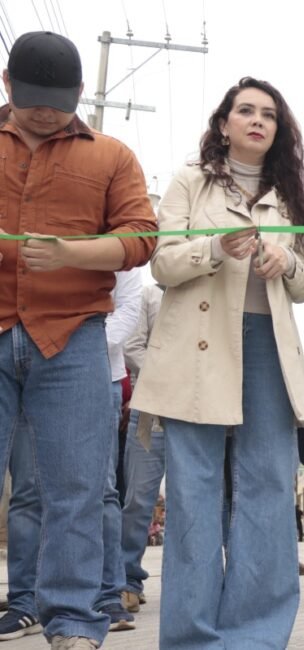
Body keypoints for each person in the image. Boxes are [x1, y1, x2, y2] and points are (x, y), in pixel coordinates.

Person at [131, 77, 304, 648]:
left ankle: (257, 635)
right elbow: (161, 265)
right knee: (194, 491)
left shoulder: (290, 195)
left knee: (267, 488)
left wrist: (285, 261)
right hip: (196, 349)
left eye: (268, 114)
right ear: (224, 123)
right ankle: (191, 637)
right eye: (245, 111)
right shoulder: (190, 180)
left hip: (269, 346)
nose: (257, 121)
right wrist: (215, 248)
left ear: (278, 130)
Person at [0, 31, 157, 649]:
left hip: (73, 336)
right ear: (8, 85)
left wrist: (75, 252)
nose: (46, 112)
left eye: (59, 101)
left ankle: (70, 620)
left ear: (80, 94)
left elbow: (143, 236)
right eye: (34, 98)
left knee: (77, 485)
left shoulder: (111, 156)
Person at [0, 268, 143, 642]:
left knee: (99, 491)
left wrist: (76, 346)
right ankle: (25, 601)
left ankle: (107, 594)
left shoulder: (112, 242)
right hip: (29, 364)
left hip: (98, 374)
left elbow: (129, 309)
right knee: (29, 492)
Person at [119, 281, 164, 614]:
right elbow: (132, 346)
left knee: (195, 498)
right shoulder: (149, 293)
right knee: (137, 499)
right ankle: (128, 581)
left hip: (199, 408)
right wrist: (173, 377)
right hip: (151, 409)